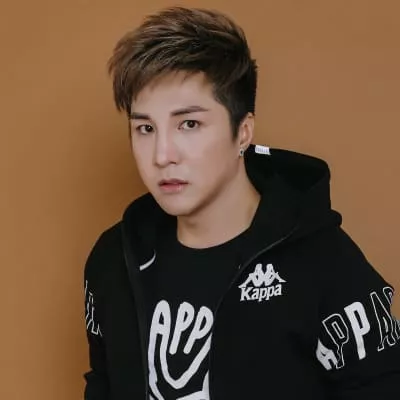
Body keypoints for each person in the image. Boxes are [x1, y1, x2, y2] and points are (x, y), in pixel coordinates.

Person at [83, 6, 400, 400]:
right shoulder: (112, 260)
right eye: (145, 128)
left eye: (189, 124)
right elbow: (103, 383)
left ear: (244, 132)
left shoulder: (323, 262)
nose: (162, 155)